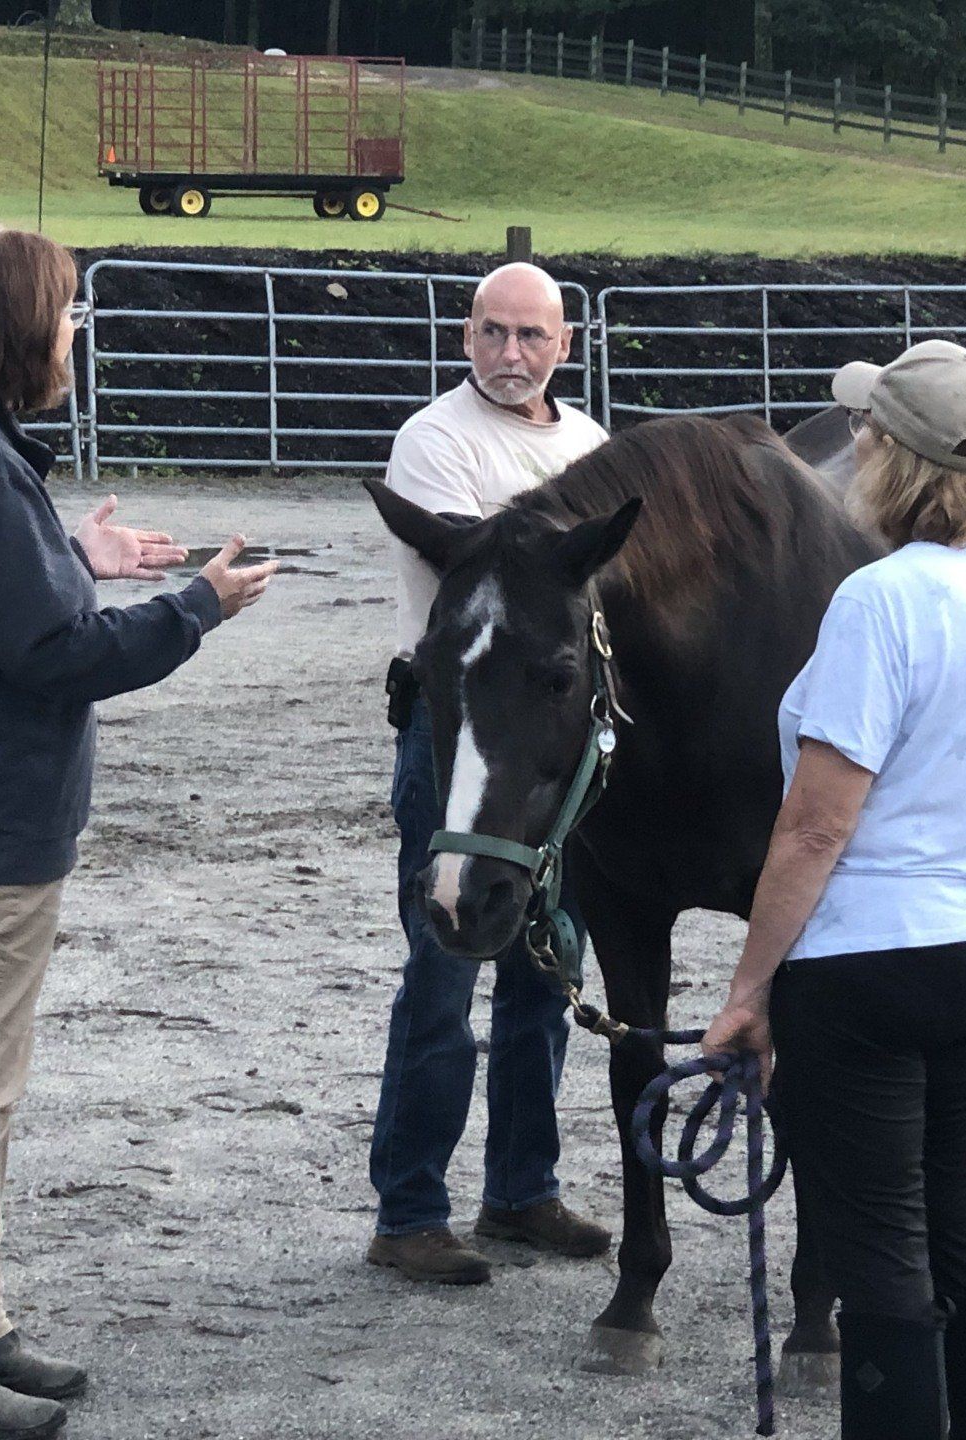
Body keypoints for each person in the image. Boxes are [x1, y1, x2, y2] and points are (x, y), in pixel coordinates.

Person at [0, 225, 279, 1440]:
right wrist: (196, 605)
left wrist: (70, 553)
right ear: (16, 329)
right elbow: (54, 657)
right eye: (67, 311)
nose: (76, 331)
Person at [704, 340, 966, 1439]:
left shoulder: (879, 599)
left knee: (880, 1240)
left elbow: (818, 823)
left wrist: (748, 987)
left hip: (876, 956)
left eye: (862, 431)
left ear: (884, 453)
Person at [367, 263, 613, 1284]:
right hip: (459, 745)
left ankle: (520, 1189)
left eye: (532, 337)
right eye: (494, 334)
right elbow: (491, 569)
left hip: (553, 753)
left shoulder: (594, 446)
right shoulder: (435, 443)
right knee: (442, 976)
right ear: (466, 336)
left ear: (566, 342)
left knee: (546, 970)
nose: (511, 356)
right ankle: (411, 1208)